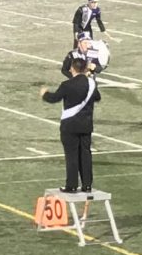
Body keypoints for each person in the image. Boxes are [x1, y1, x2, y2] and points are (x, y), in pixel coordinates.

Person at [40, 57, 101, 193]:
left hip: (70, 125)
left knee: (71, 155)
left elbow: (54, 98)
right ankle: (87, 185)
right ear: (85, 69)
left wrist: (44, 94)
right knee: (85, 155)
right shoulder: (91, 84)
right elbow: (97, 97)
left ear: (72, 69)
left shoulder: (67, 85)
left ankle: (72, 185)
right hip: (86, 125)